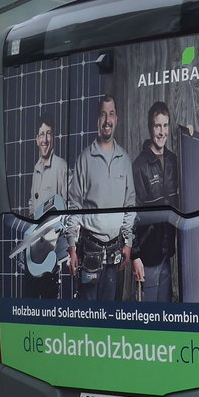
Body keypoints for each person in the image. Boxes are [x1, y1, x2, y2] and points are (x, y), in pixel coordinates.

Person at [66, 95, 136, 300]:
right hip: (89, 251)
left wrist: (128, 242)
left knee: (110, 313)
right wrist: (72, 246)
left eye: (111, 114)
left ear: (116, 119)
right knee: (89, 313)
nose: (107, 120)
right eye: (103, 114)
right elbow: (74, 205)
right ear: (98, 120)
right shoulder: (85, 158)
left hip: (115, 252)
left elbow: (130, 205)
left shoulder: (124, 160)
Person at [131, 101, 180, 302]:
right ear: (150, 127)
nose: (162, 132)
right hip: (147, 256)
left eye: (165, 125)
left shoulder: (174, 161)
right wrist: (135, 255)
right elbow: (131, 212)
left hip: (166, 253)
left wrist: (192, 136)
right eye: (157, 126)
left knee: (165, 312)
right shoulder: (139, 165)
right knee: (148, 315)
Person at [24, 113, 68, 298]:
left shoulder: (61, 166)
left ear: (53, 137)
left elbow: (68, 206)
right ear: (36, 139)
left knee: (50, 300)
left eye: (48, 134)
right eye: (42, 134)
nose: (45, 139)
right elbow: (32, 203)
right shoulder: (36, 169)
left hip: (53, 249)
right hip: (36, 248)